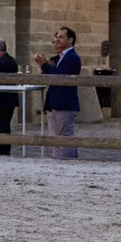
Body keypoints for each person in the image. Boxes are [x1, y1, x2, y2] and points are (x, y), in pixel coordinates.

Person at [35, 26, 83, 159]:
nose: (56, 40)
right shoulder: (58, 58)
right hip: (54, 104)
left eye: (61, 37)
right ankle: (57, 164)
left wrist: (44, 65)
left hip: (64, 104)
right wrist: (47, 66)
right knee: (54, 139)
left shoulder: (72, 57)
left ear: (70, 40)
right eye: (56, 37)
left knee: (66, 137)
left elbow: (59, 77)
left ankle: (70, 163)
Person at [0, 38, 21, 154]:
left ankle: (4, 151)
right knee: (4, 125)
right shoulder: (10, 60)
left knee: (3, 126)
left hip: (4, 99)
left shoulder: (3, 62)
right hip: (8, 99)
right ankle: (4, 150)